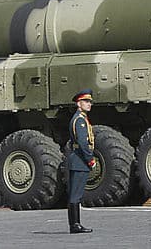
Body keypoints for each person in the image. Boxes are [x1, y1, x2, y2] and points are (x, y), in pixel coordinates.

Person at [66, 89, 95, 234]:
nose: (89, 104)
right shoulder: (80, 120)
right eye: (86, 101)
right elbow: (83, 143)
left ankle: (75, 224)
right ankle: (75, 225)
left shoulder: (80, 118)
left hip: (77, 160)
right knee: (75, 195)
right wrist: (90, 159)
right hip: (79, 161)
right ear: (79, 103)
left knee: (75, 194)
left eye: (90, 101)